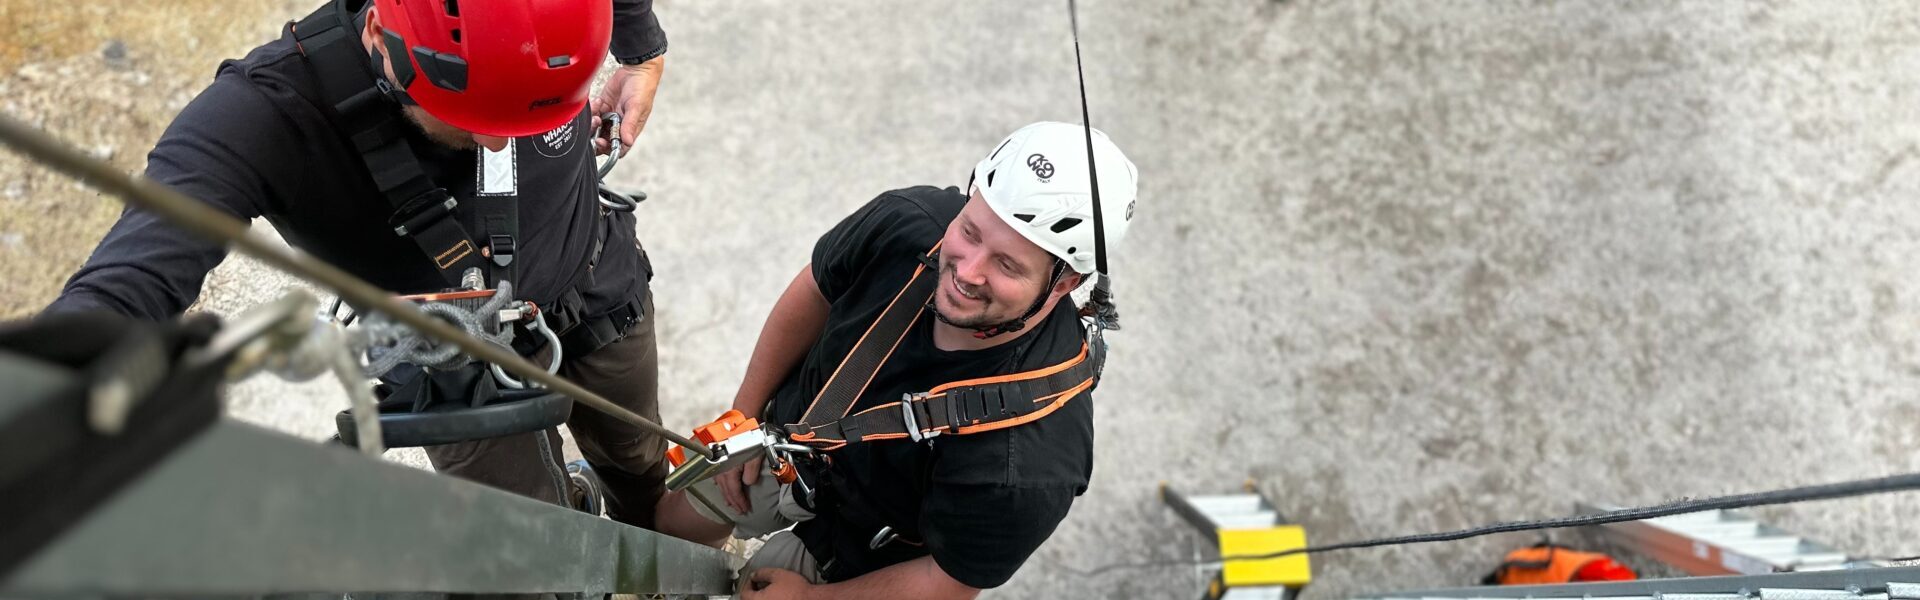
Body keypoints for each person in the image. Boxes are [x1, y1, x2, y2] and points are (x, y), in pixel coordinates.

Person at [46, 0, 677, 528]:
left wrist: (641, 51)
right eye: (475, 115)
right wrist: (45, 396)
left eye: (534, 110)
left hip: (597, 285)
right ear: (380, 35)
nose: (499, 141)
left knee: (642, 461)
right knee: (534, 544)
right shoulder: (263, 117)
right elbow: (131, 279)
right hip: (447, 371)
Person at [653, 122, 1139, 599]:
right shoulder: (911, 223)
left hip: (866, 558)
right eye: (969, 232)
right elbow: (816, 290)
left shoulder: (1030, 462)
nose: (967, 272)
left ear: (1065, 283)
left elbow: (948, 580)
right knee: (668, 527)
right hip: (791, 444)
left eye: (1007, 265)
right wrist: (745, 415)